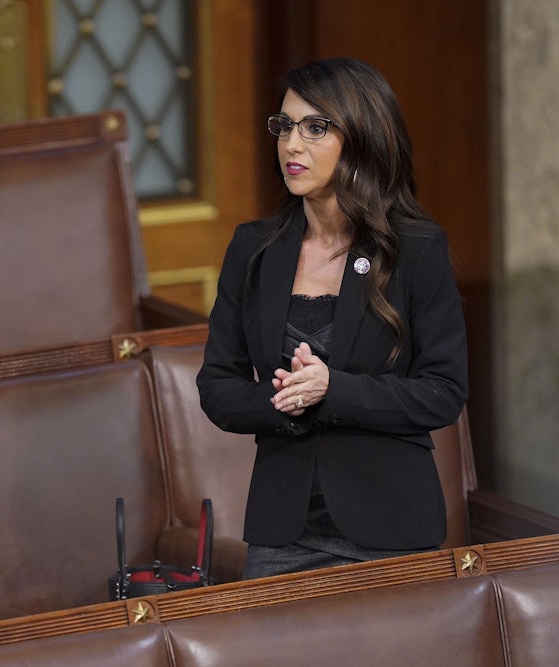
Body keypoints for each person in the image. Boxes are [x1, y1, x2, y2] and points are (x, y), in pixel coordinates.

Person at [196, 58, 468, 580]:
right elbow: (217, 387)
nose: (291, 145)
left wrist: (332, 389)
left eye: (315, 128)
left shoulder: (416, 249)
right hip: (283, 535)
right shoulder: (253, 248)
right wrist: (288, 398)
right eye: (285, 126)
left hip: (391, 530)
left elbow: (443, 391)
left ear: (363, 137)